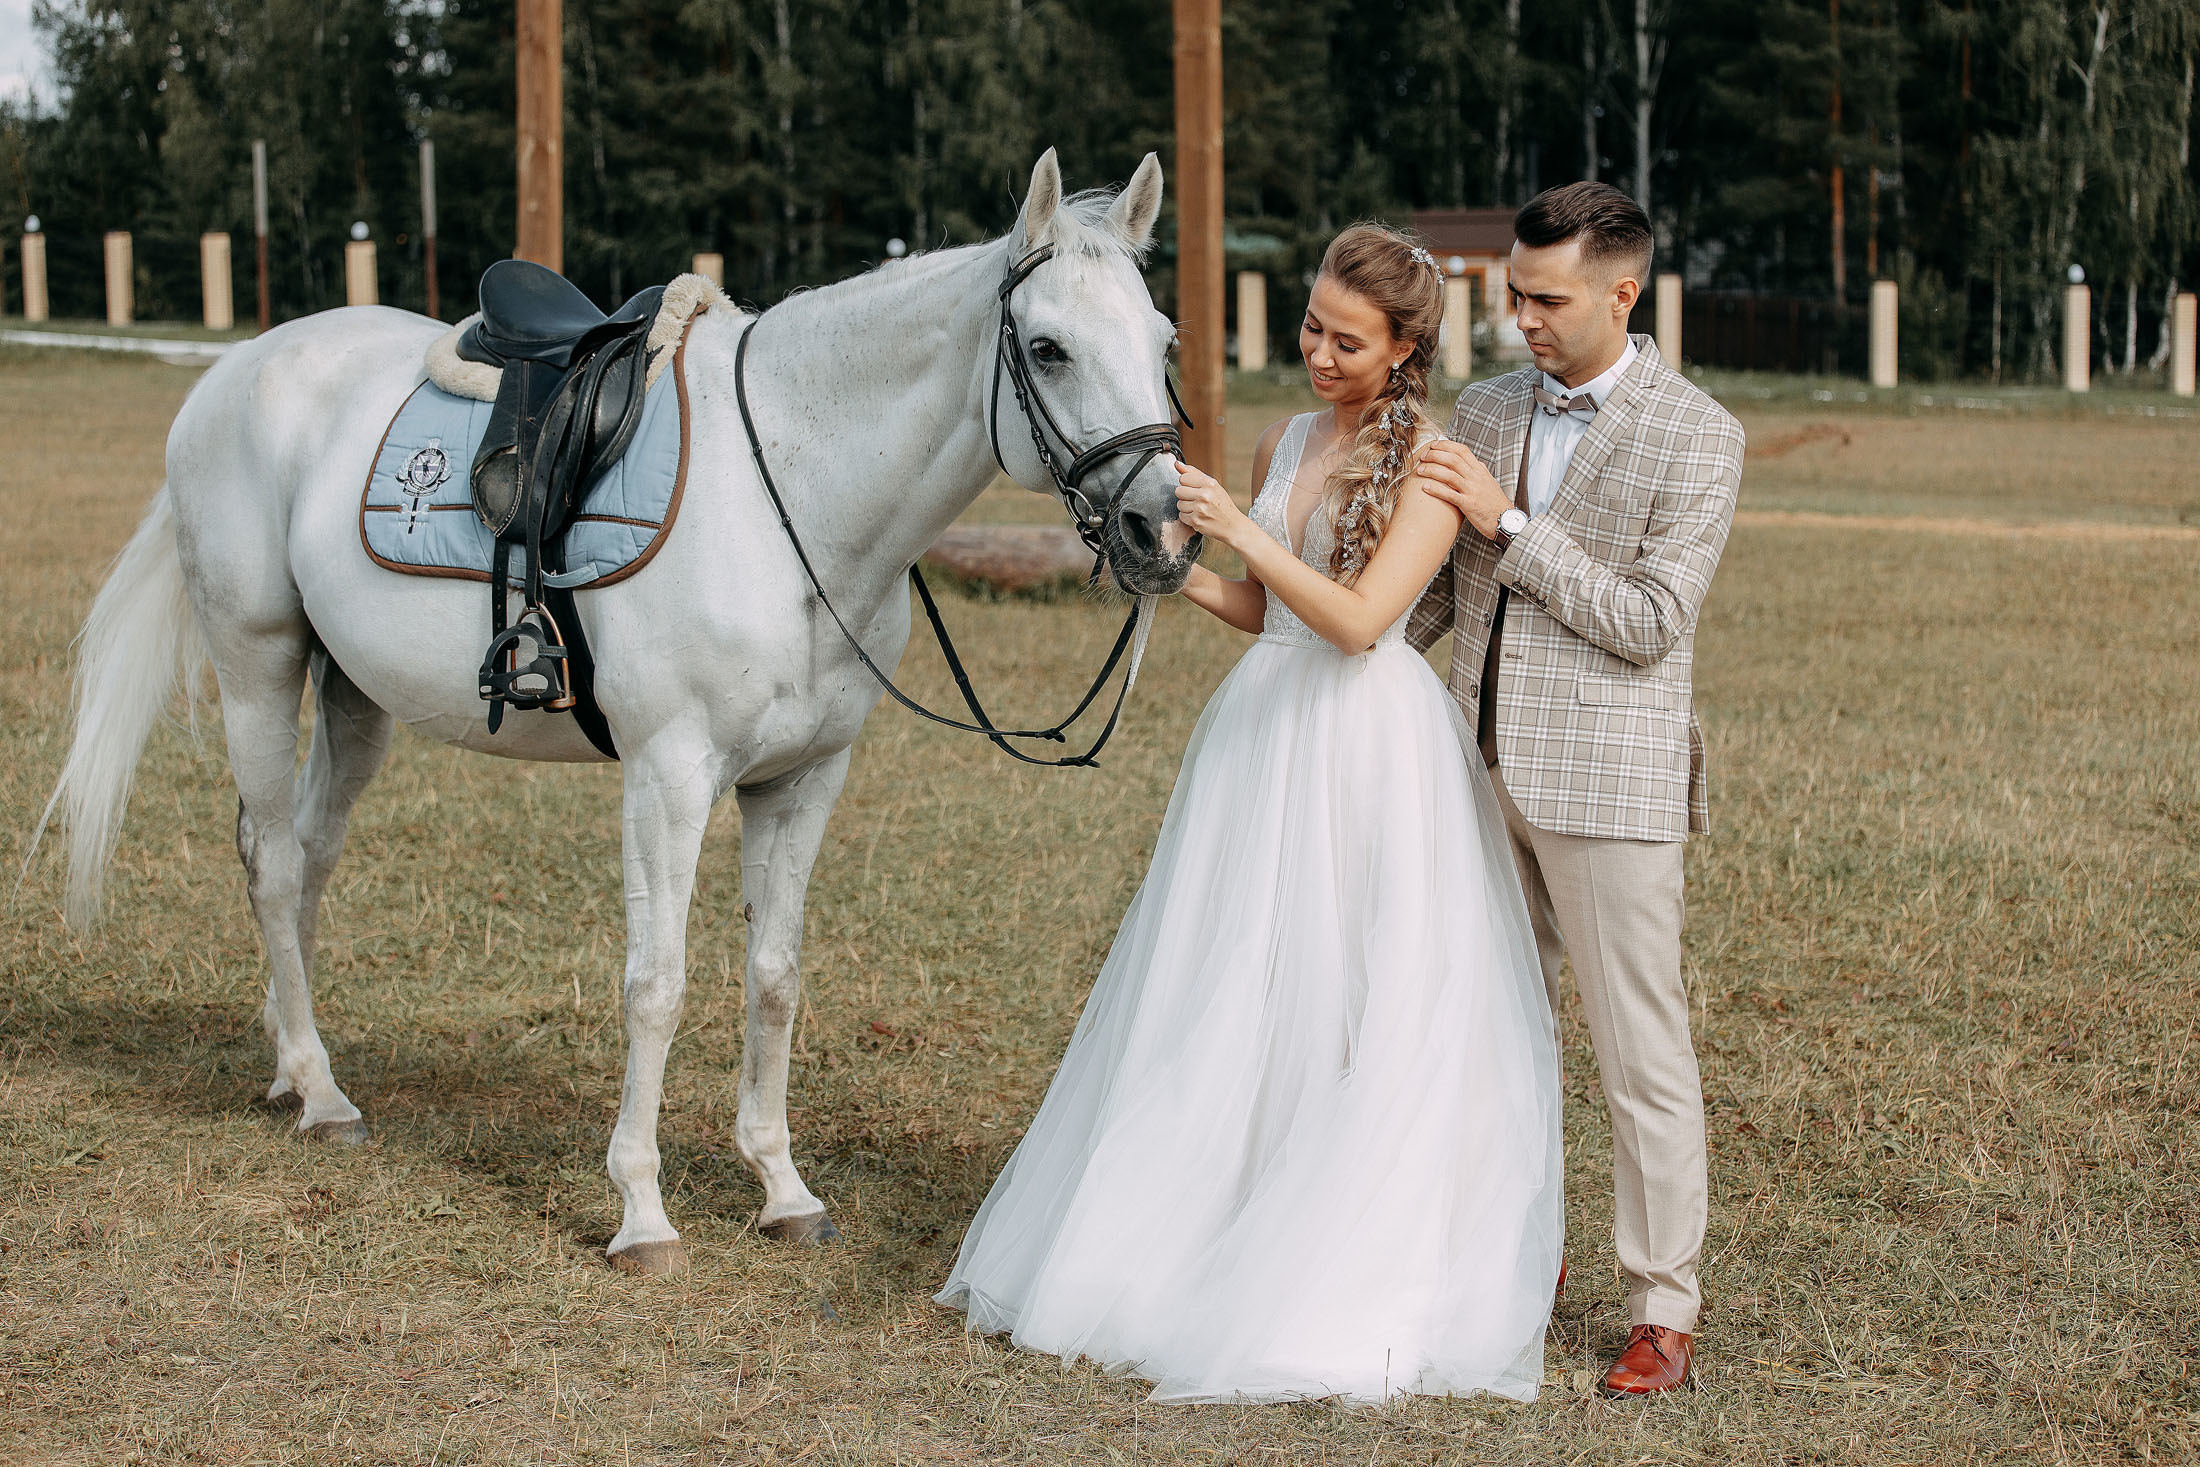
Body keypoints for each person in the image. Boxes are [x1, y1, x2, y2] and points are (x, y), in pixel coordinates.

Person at [934, 224, 1563, 1404]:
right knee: (1232, 980)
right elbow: (1262, 614)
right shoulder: (1286, 437)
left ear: (1405, 347)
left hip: (1361, 741)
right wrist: (1178, 574)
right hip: (1259, 732)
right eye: (1311, 327)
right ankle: (1209, 1210)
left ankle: (1327, 1234)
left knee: (1347, 987)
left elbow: (1360, 621)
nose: (1317, 351)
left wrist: (1239, 531)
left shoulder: (1430, 461)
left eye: (1344, 338)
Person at [1408, 181, 1747, 1397]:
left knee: (1635, 1049)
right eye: (1511, 294)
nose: (1519, 322)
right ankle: (1514, 1252)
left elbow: (1648, 622)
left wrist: (1507, 521)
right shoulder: (1485, 406)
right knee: (1491, 1030)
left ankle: (1663, 1301)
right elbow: (1445, 593)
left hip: (1606, 786)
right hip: (1467, 764)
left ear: (1624, 290)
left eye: (1546, 301)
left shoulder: (1698, 432)